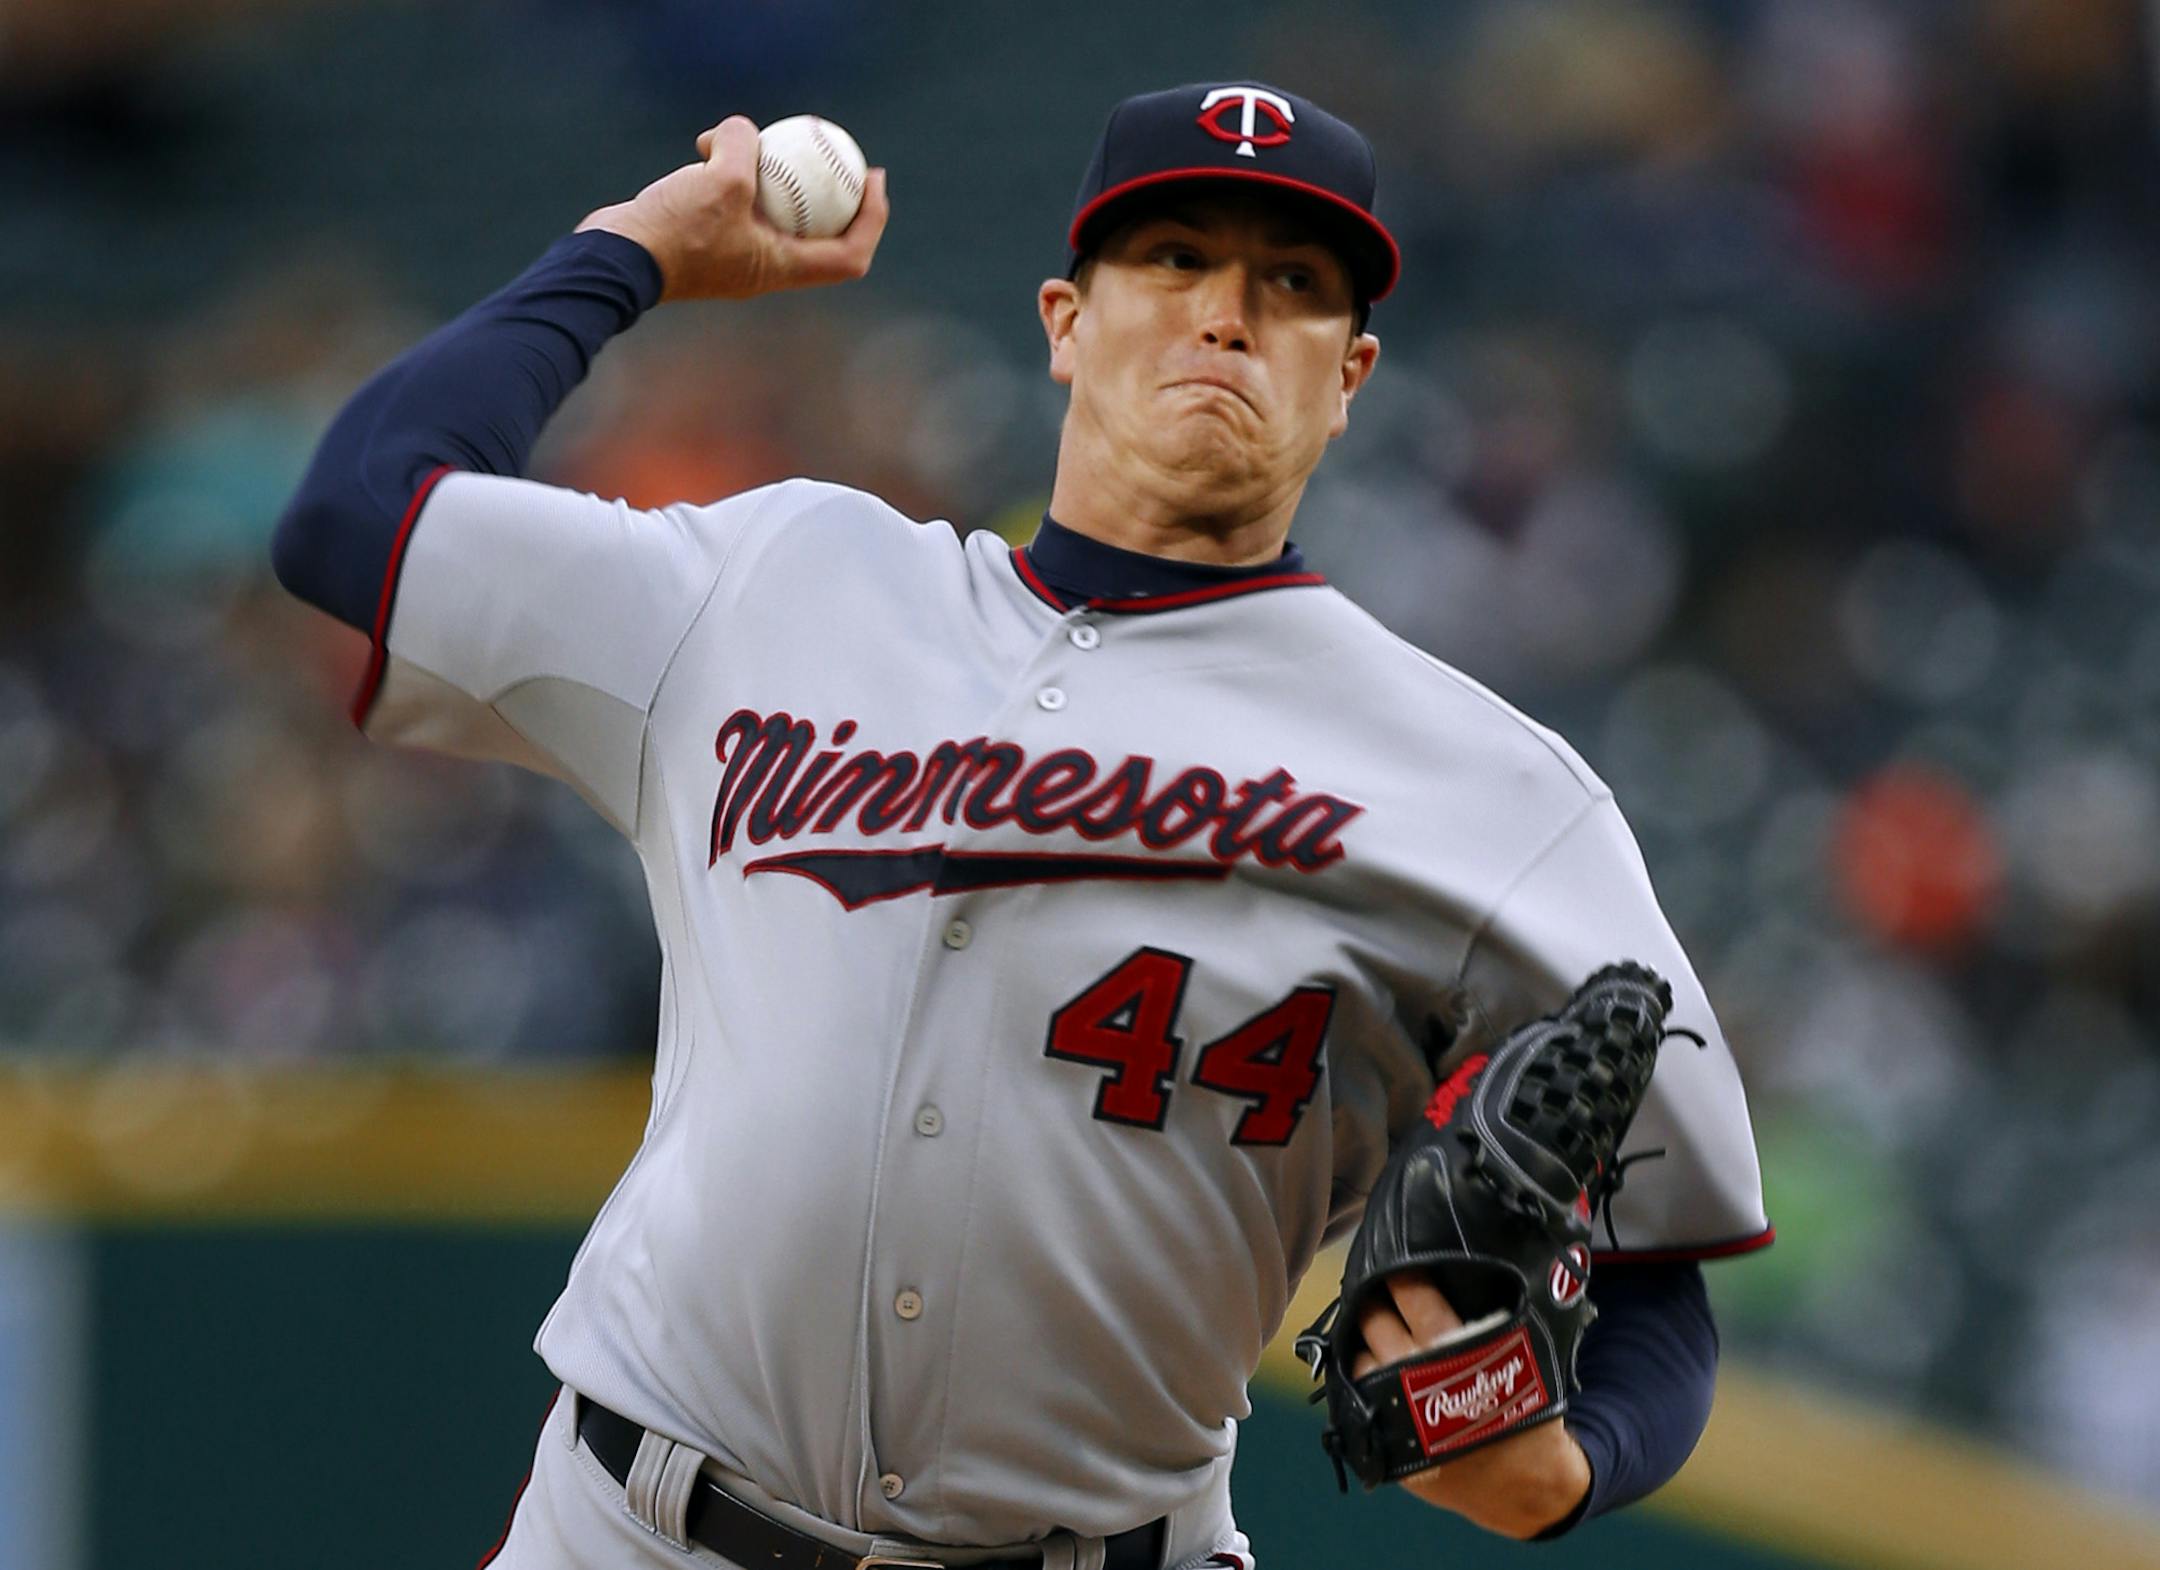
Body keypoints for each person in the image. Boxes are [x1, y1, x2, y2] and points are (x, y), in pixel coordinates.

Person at [273, 82, 1772, 1570]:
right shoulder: (778, 581)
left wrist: (1568, 1467)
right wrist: (637, 250)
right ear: (1064, 320)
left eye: (1292, 285)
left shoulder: (1491, 794)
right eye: (1175, 257)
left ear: (1351, 372)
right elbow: (357, 517)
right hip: (631, 1528)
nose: (1226, 312)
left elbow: (1660, 1277)